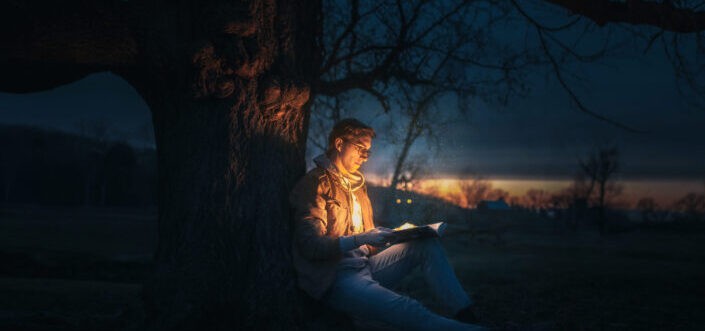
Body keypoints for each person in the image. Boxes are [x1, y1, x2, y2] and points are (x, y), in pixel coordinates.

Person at [290, 118, 485, 331]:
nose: (364, 157)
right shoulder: (316, 184)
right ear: (339, 144)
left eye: (368, 152)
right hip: (335, 278)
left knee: (426, 245)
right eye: (360, 149)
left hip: (366, 267)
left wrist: (393, 236)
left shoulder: (357, 187)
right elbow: (311, 246)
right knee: (407, 308)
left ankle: (467, 316)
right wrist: (361, 238)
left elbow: (367, 245)